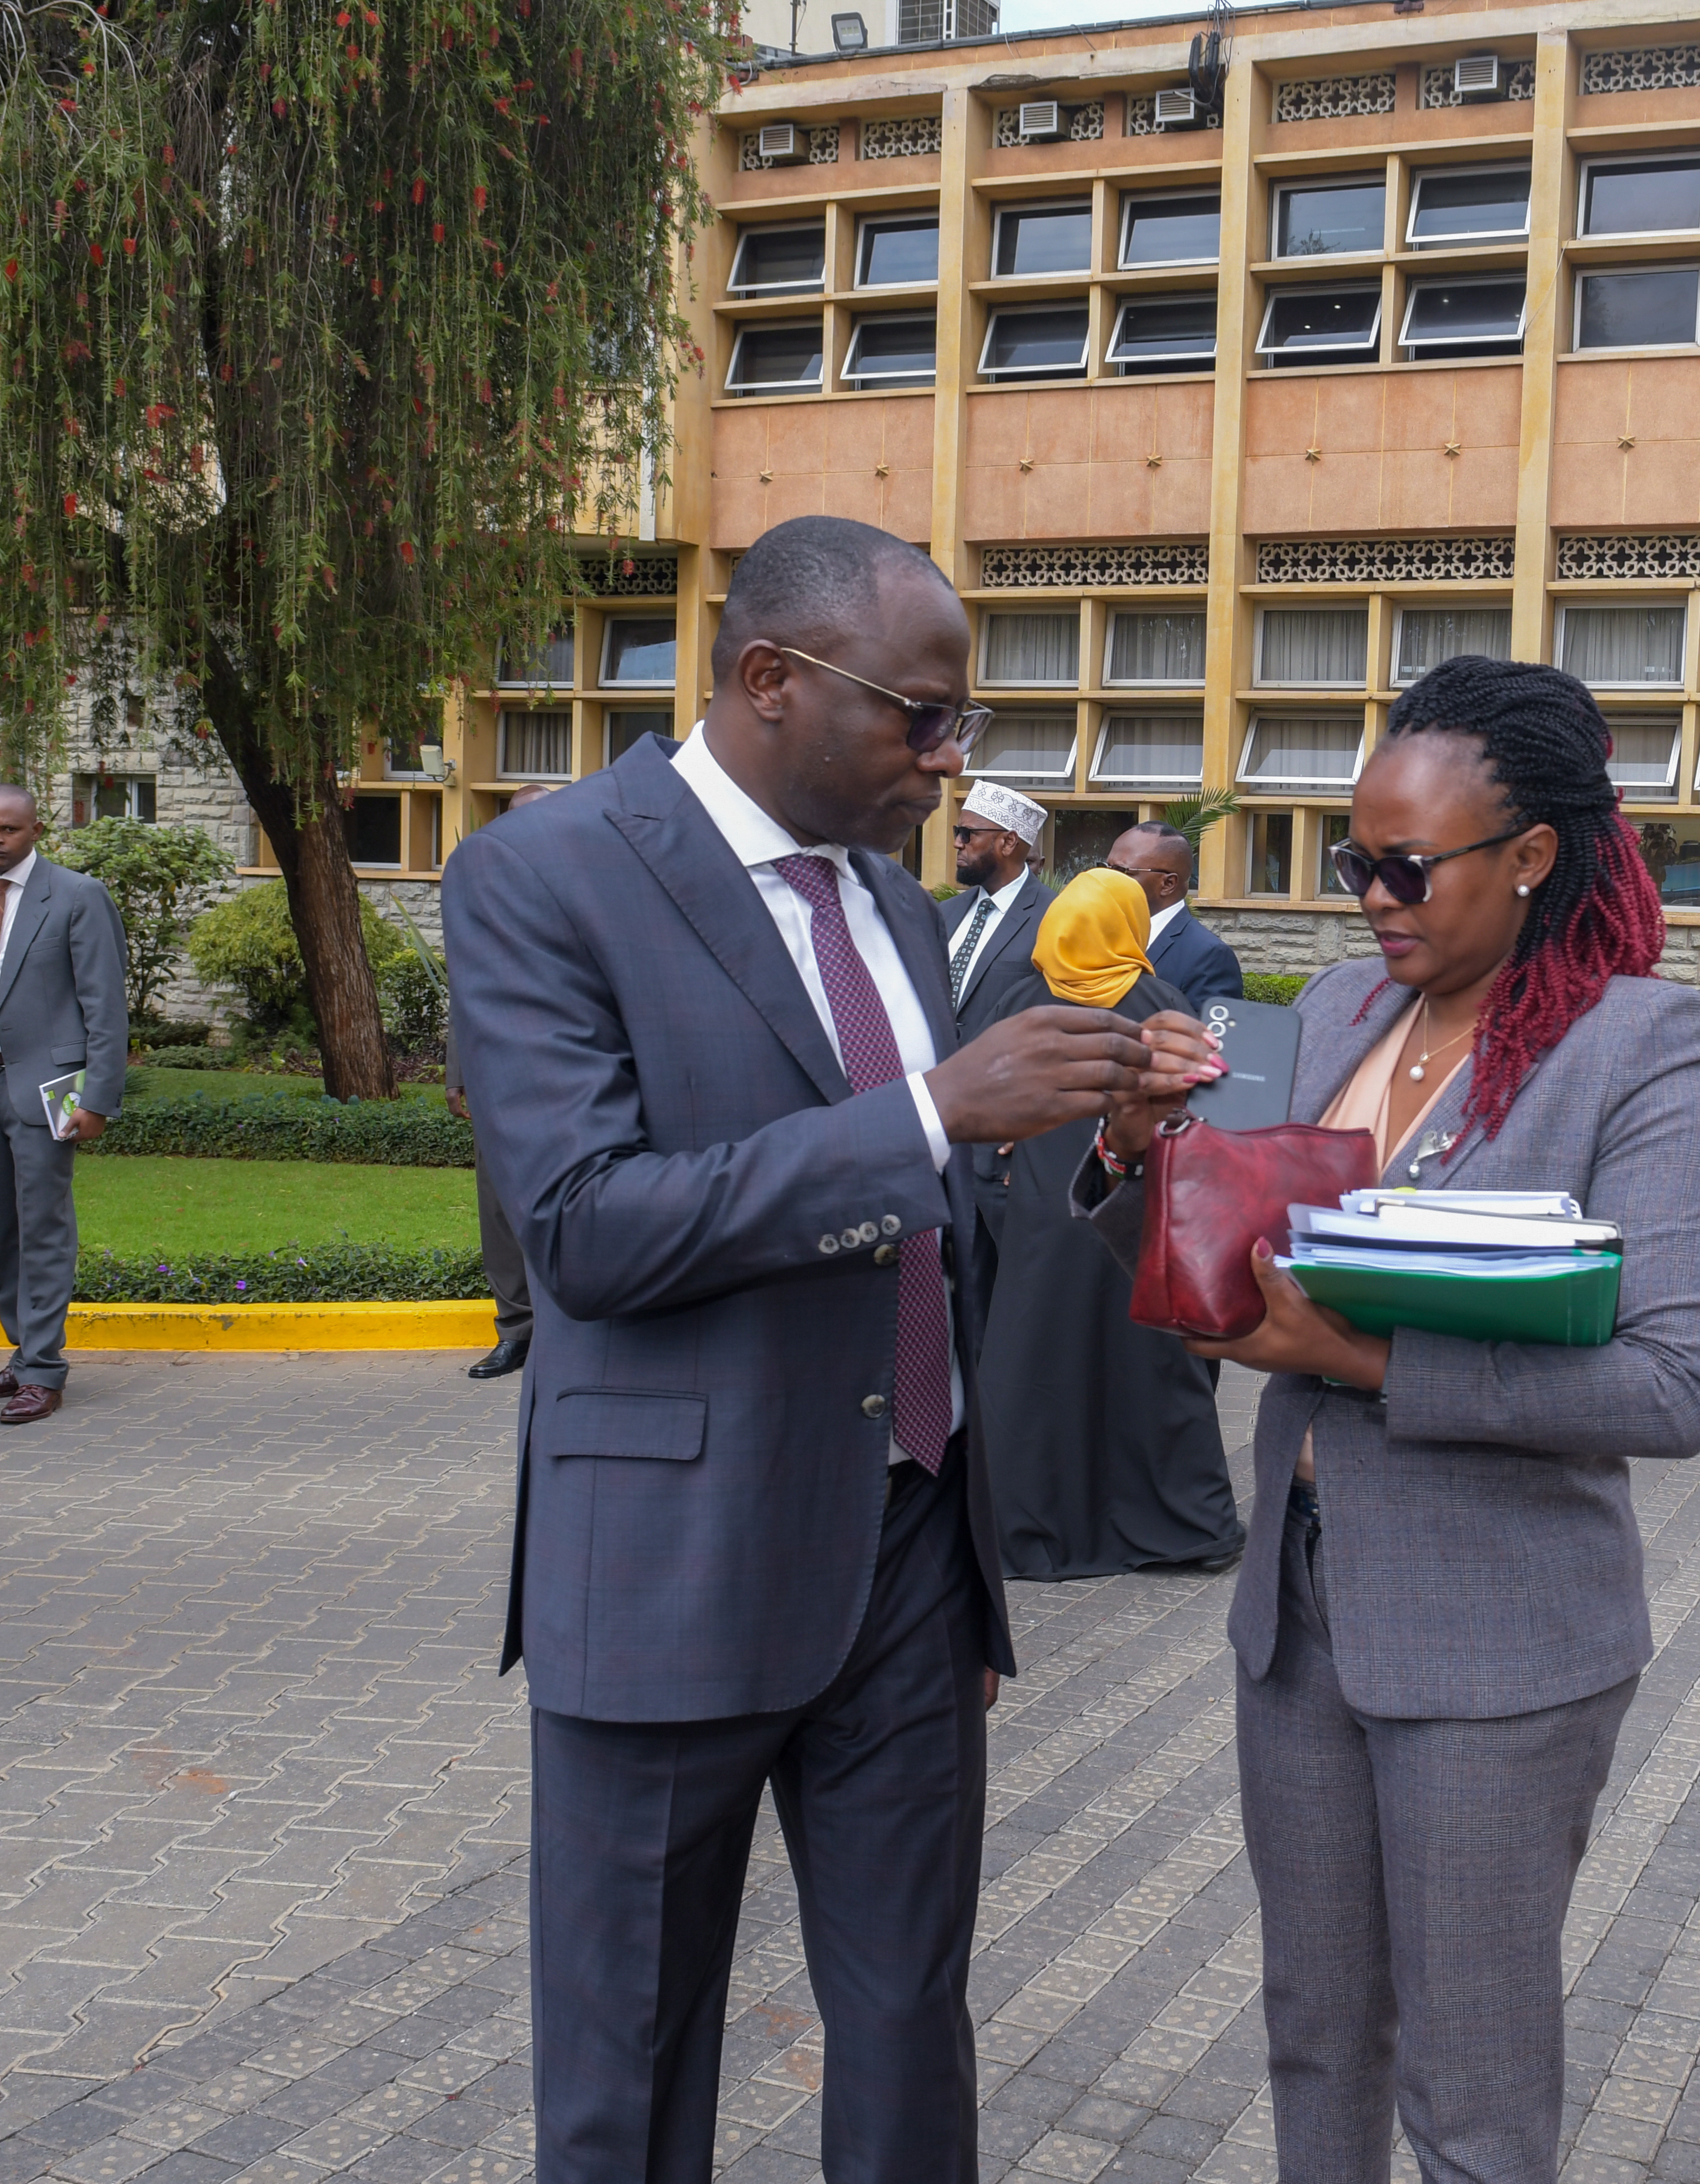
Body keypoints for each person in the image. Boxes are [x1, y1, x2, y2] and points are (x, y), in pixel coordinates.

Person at [439, 514, 1184, 2182]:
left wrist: (1099, 1134)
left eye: (962, 724)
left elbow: (944, 1222)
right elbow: (585, 1231)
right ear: (768, 679)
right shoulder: (542, 875)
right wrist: (929, 1112)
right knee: (629, 2058)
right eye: (916, 716)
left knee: (914, 2028)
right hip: (670, 1569)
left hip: (912, 1562)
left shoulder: (895, 909)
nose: (947, 759)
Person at [1088, 655, 1700, 2182]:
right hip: (1302, 1610)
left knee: (1474, 2088)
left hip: (1495, 1640)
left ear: (1530, 858)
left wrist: (1374, 1367)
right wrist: (1137, 1156)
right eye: (1350, 862)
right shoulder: (1329, 1014)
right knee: (1316, 2029)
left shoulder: (1634, 1046)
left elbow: (1674, 1386)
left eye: (1405, 867)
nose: (1373, 898)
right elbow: (1213, 1274)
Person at [974, 868, 1242, 1580]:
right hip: (1130, 1209)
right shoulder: (1159, 1000)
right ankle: (1172, 1525)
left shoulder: (1020, 1000)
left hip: (1040, 1216)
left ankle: (1035, 1528)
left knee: (1037, 1357)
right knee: (1148, 1366)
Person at [0, 785, 131, 1424]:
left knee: (43, 1225)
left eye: (7, 829)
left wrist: (98, 1097)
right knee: (1, 1227)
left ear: (36, 829)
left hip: (51, 1087)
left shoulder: (77, 896)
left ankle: (43, 1368)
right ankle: (24, 1351)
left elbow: (105, 1008)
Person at [446, 783, 553, 1380]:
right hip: (497, 1075)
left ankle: (573, 1334)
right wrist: (456, 1075)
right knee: (500, 1211)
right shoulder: (485, 889)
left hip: (573, 1078)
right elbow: (467, 990)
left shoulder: (592, 883)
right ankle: (516, 1330)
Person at [940, 780, 1056, 1262]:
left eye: (968, 833)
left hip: (1001, 1145)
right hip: (936, 1131)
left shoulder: (1055, 919)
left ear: (1008, 843)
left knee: (994, 1296)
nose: (957, 843)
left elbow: (1061, 1026)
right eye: (957, 831)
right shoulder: (942, 913)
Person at [1108, 819, 1245, 1012]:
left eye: (1122, 871)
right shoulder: (1101, 934)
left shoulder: (1208, 957)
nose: (1107, 879)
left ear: (1168, 884)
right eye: (1106, 868)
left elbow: (1207, 1038)